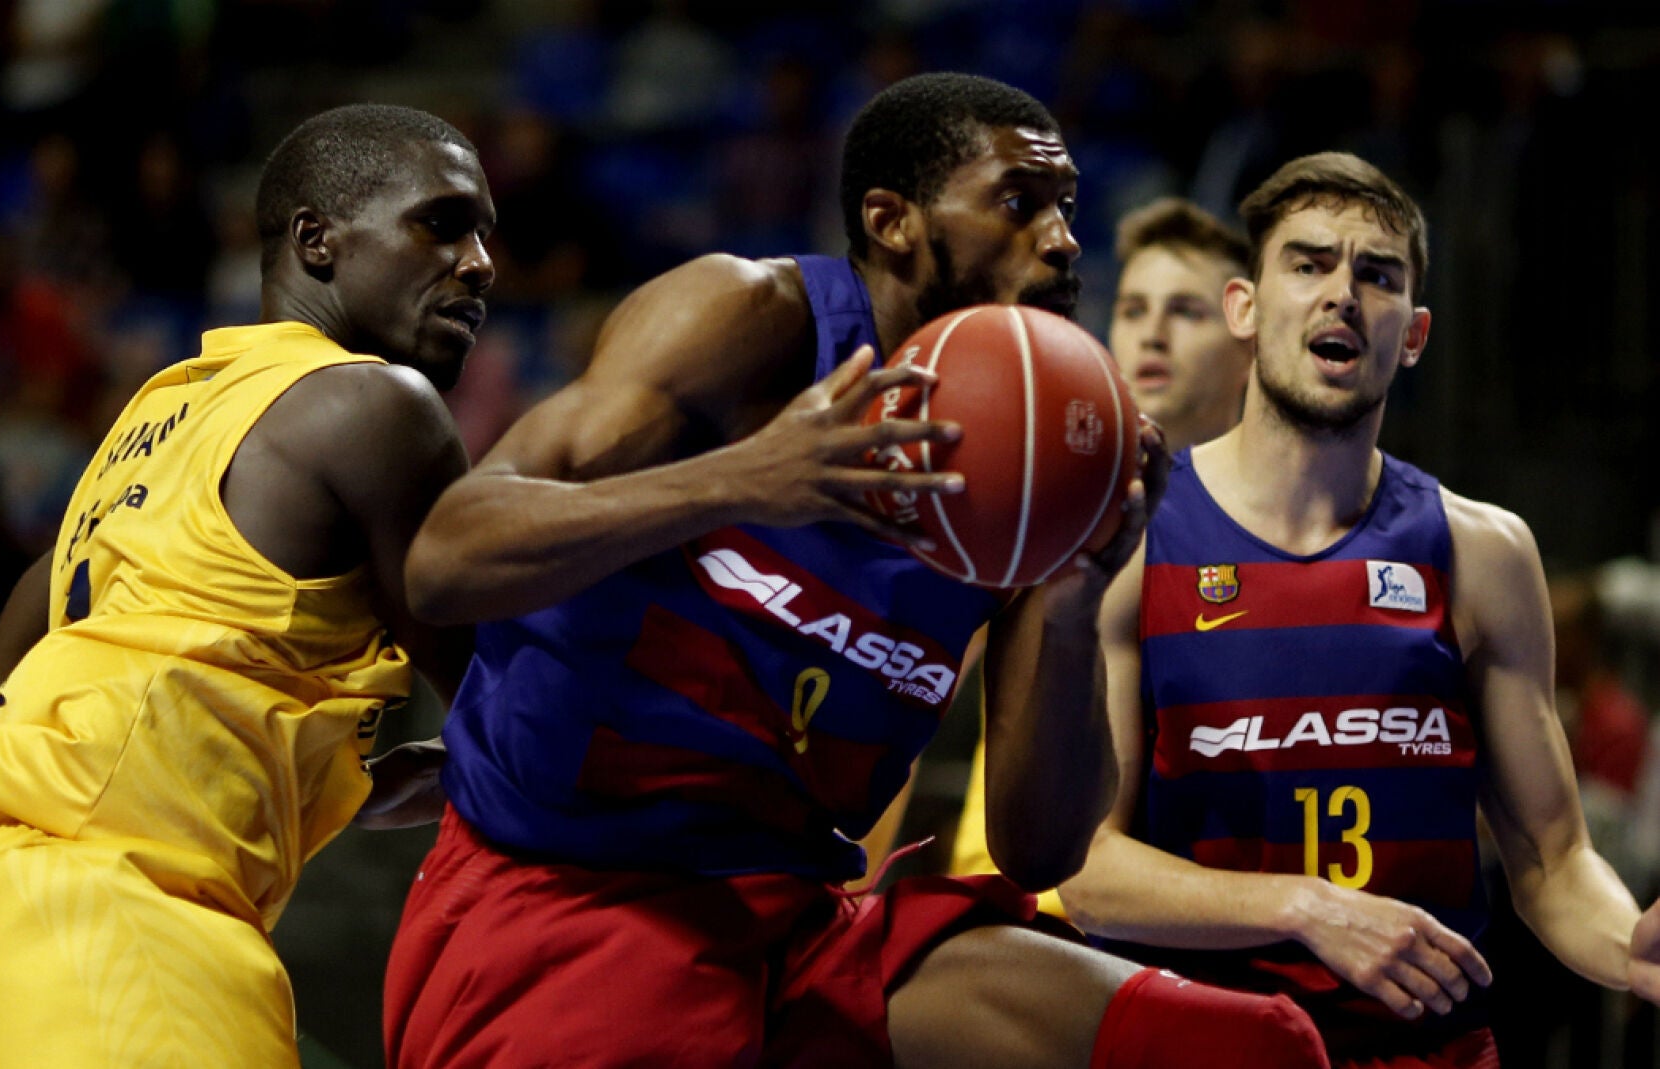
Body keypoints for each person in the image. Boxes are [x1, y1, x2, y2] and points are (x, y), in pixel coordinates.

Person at [381, 72, 1327, 1069]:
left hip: (793, 920)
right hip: (570, 890)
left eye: (1064, 207)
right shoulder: (750, 320)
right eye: (1018, 203)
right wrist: (743, 479)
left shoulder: (1033, 453)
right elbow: (447, 558)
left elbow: (1040, 850)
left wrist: (1071, 598)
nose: (1060, 240)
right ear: (891, 221)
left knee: (1249, 1047)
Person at [0, 103, 490, 1068]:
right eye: (442, 223)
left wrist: (297, 775)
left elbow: (43, 602)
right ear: (317, 239)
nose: (480, 262)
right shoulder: (372, 404)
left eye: (486, 234)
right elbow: (512, 703)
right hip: (113, 912)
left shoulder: (169, 409)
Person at [1051, 151, 1660, 1067]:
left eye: (1377, 276)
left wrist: (1630, 949)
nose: (1342, 293)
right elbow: (1089, 868)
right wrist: (1307, 907)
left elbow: (1553, 860)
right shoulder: (1134, 536)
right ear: (1245, 308)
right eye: (1308, 263)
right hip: (1207, 1043)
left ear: (1412, 335)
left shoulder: (1484, 552)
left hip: (1427, 1050)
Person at [948, 197, 1254, 881]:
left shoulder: (1273, 543)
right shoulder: (1039, 508)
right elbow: (905, 694)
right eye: (1134, 309)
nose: (1153, 335)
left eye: (1187, 311)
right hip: (1003, 900)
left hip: (1150, 915)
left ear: (1250, 339)